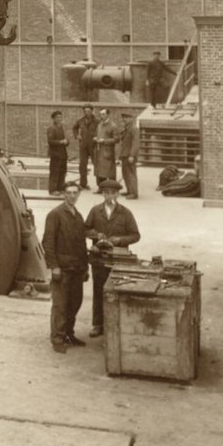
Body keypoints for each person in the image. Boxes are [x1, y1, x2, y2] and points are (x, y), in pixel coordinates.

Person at [84, 179, 141, 337]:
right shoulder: (95, 211)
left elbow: (136, 235)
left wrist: (120, 240)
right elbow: (85, 229)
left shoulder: (126, 213)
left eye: (113, 193)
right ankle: (98, 324)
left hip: (118, 259)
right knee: (99, 290)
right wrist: (96, 235)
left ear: (118, 194)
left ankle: (117, 324)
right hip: (99, 258)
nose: (110, 196)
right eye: (106, 193)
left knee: (118, 290)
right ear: (102, 194)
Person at [41, 181, 89, 353]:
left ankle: (69, 333)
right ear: (63, 194)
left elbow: (81, 244)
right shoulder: (55, 214)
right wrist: (54, 266)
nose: (72, 196)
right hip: (62, 268)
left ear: (79, 194)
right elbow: (48, 242)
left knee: (74, 303)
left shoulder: (78, 215)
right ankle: (58, 338)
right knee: (60, 305)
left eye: (75, 192)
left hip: (77, 268)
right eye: (68, 193)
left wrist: (85, 267)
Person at [71, 105, 97, 189]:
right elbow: (74, 128)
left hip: (94, 145)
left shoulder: (97, 121)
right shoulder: (81, 121)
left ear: (92, 111)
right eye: (85, 111)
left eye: (89, 111)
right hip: (83, 146)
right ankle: (83, 184)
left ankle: (100, 184)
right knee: (82, 165)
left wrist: (98, 137)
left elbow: (101, 130)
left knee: (97, 164)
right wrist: (77, 136)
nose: (87, 113)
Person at [93, 108, 119, 190]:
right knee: (99, 171)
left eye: (103, 114)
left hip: (107, 152)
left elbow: (116, 139)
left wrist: (104, 141)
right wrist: (96, 138)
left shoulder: (113, 126)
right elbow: (98, 134)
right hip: (99, 151)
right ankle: (101, 188)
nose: (101, 116)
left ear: (108, 115)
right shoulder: (99, 125)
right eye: (100, 114)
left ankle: (112, 188)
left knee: (109, 172)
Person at [117, 112, 140, 200]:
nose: (124, 119)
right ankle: (129, 191)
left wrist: (132, 155)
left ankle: (134, 193)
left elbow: (136, 143)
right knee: (125, 174)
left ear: (131, 119)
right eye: (124, 118)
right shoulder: (127, 129)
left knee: (131, 174)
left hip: (129, 155)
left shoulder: (134, 129)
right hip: (125, 155)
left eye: (127, 117)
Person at [46, 110, 68, 194]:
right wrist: (61, 142)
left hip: (62, 154)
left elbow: (62, 139)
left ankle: (60, 188)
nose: (59, 119)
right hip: (55, 154)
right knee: (55, 172)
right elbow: (50, 141)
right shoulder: (51, 128)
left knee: (62, 171)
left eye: (60, 117)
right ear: (54, 119)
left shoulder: (60, 127)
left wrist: (66, 142)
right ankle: (53, 189)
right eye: (57, 117)